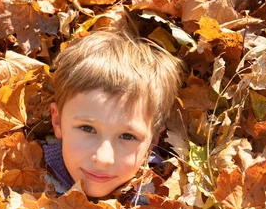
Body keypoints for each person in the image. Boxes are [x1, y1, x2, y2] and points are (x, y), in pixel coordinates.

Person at [43, 30, 184, 198]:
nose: (103, 159)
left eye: (127, 136)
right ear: (57, 121)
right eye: (87, 129)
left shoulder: (159, 195)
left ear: (153, 140)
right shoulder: (35, 175)